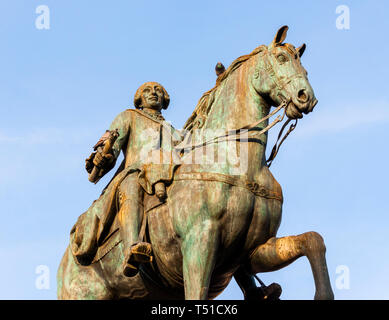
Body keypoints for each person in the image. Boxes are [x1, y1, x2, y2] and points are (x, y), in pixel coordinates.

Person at [71, 81, 182, 277]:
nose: (153, 93)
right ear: (139, 99)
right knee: (131, 183)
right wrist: (102, 155)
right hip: (136, 172)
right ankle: (133, 246)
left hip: (166, 176)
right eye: (147, 91)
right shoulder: (129, 116)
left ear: (165, 99)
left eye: (158, 90)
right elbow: (110, 143)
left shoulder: (172, 130)